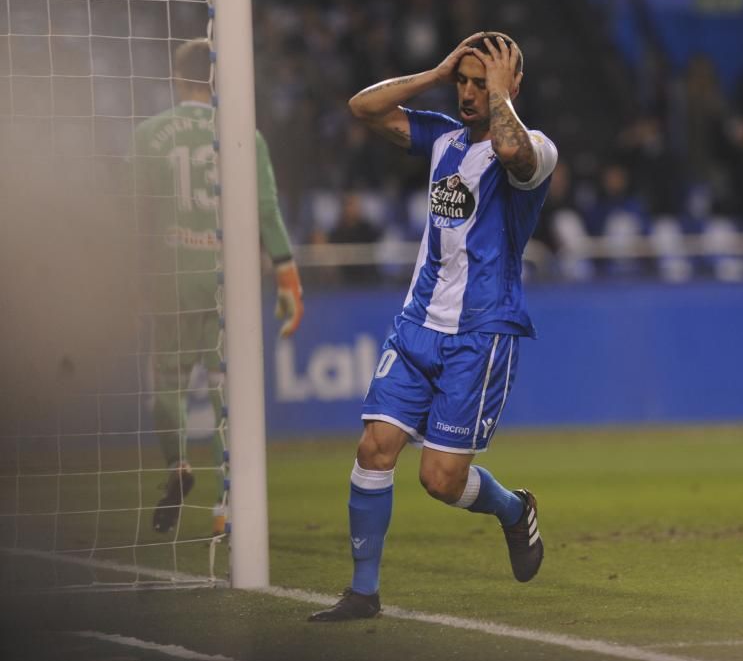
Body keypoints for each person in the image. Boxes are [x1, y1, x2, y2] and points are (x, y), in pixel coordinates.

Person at [308, 31, 558, 622]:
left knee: (441, 480)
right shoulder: (443, 138)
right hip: (418, 323)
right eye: (463, 83)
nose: (469, 93)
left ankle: (511, 509)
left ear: (511, 86)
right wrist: (436, 71)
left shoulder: (537, 151)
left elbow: (512, 152)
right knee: (374, 447)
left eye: (482, 83)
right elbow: (363, 109)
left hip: (481, 333)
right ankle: (363, 593)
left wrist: (501, 96)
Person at [135, 38, 304, 535]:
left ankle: (177, 466)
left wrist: (133, 278)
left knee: (167, 382)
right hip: (225, 278)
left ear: (175, 75)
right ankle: (227, 504)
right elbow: (267, 211)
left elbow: (137, 217)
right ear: (216, 78)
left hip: (170, 274)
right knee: (223, 388)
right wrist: (288, 277)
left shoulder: (148, 135)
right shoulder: (242, 136)